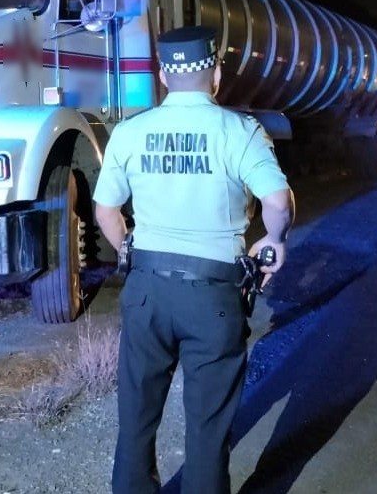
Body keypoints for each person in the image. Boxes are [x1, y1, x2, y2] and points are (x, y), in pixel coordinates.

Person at [94, 25, 295, 494]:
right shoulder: (240, 132)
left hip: (146, 290)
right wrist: (274, 240)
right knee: (208, 429)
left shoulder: (129, 132)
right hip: (213, 296)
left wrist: (128, 250)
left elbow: (106, 210)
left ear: (164, 75)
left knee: (137, 418)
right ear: (216, 76)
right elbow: (278, 202)